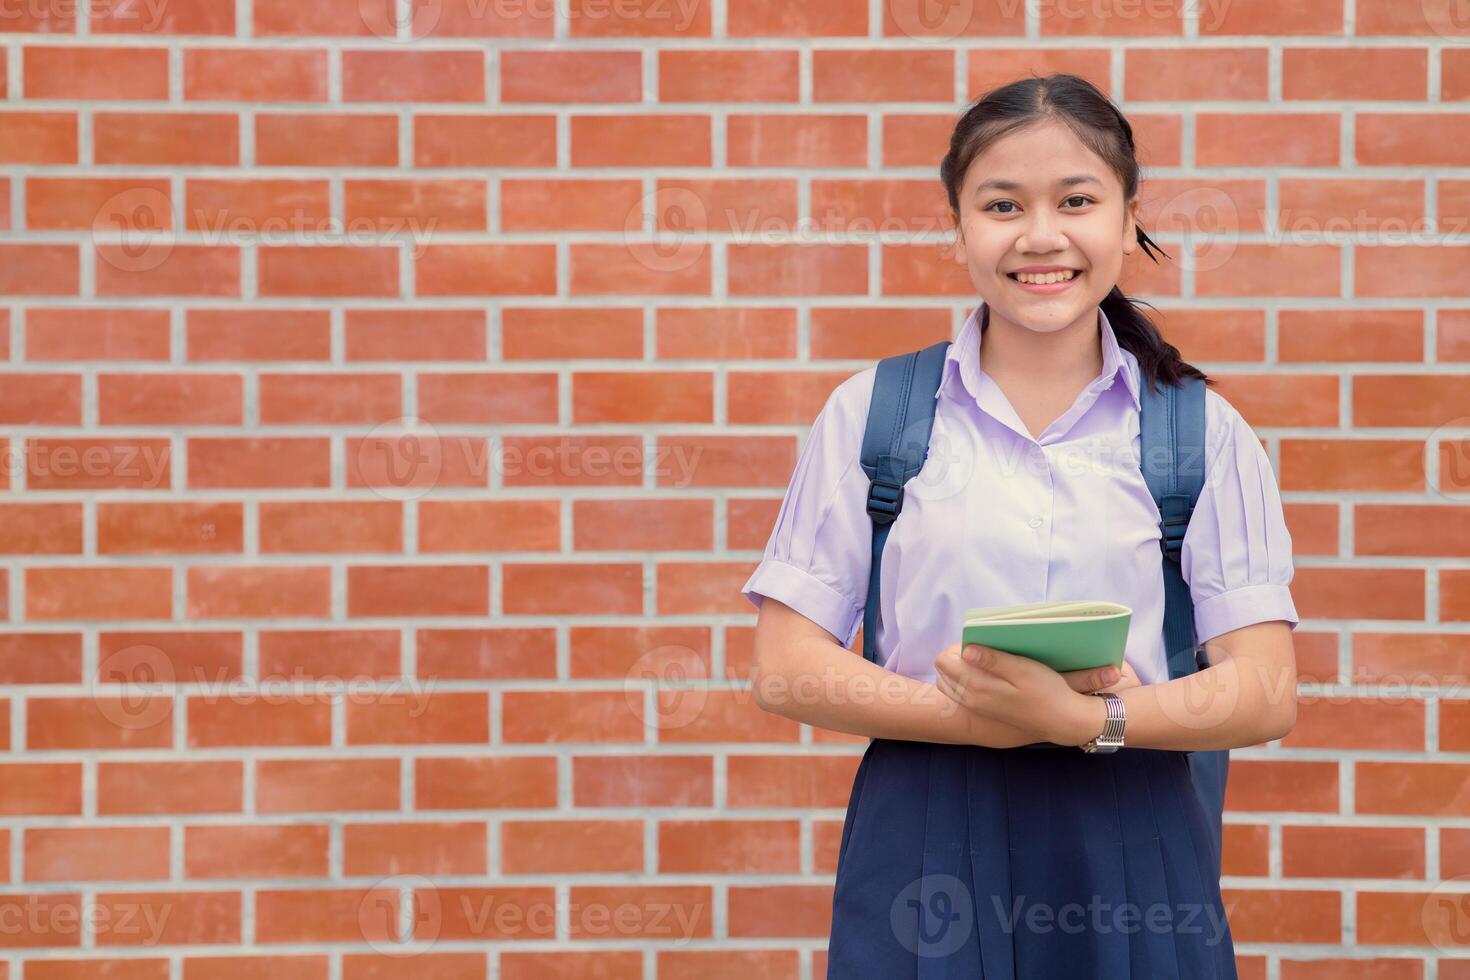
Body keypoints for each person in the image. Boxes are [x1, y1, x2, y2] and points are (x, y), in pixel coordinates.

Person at [739, 73, 1299, 979]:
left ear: (1126, 219)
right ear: (959, 226)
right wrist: (982, 722)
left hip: (1133, 832)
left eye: (1077, 200)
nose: (1042, 236)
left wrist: (1093, 723)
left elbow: (1266, 692)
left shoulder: (1200, 431)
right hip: (923, 835)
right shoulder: (873, 415)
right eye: (1002, 204)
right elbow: (784, 668)